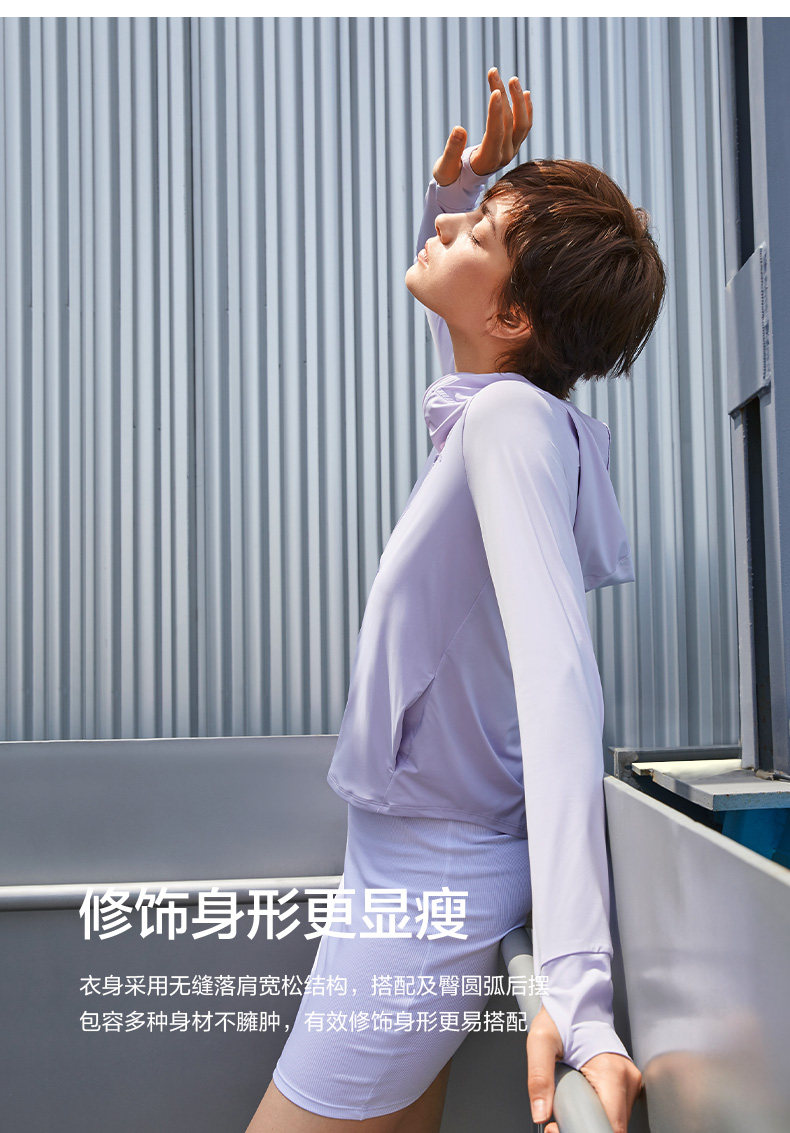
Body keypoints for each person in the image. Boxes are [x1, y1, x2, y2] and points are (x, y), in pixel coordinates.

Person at [245, 65, 665, 1133]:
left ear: (515, 314)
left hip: (422, 886)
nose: (447, 228)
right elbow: (466, 341)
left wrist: (578, 994)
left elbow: (561, 684)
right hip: (403, 868)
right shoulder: (497, 406)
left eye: (476, 230)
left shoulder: (509, 426)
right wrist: (466, 196)